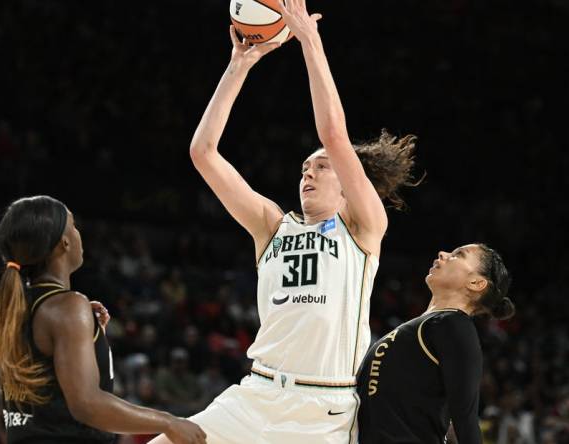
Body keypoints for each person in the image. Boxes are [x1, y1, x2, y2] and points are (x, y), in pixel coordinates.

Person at [152, 1, 419, 442]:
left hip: (323, 409)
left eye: (322, 167)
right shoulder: (272, 226)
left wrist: (310, 41)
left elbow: (333, 134)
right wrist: (239, 65)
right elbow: (203, 153)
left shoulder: (364, 228)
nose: (308, 173)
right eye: (303, 170)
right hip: (255, 395)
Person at [0, 195, 206, 444]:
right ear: (64, 242)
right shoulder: (67, 308)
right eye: (74, 226)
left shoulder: (20, 308)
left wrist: (85, 332)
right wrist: (168, 421)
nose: (79, 233)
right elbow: (86, 404)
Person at [356, 244, 514, 444]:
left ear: (476, 282)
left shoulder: (455, 324)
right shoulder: (427, 325)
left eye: (458, 255)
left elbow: (466, 420)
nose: (443, 253)